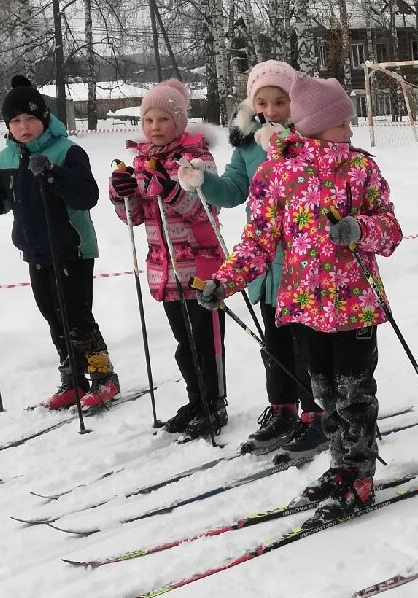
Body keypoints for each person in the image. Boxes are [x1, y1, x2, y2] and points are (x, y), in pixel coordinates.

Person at [197, 74, 402, 521]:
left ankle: (359, 472)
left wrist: (361, 229)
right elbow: (257, 241)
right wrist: (225, 281)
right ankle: (339, 466)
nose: (350, 132)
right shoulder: (274, 173)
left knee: (355, 395)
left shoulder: (360, 167)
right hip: (305, 305)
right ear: (314, 124)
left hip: (354, 303)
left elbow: (390, 230)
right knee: (325, 394)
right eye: (342, 124)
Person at [177, 60, 326, 461]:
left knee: (305, 347)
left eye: (281, 101)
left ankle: (317, 415)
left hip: (305, 262)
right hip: (264, 263)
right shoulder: (247, 144)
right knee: (274, 345)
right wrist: (203, 181)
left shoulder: (310, 139)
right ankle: (282, 410)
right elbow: (232, 191)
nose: (273, 110)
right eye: (264, 102)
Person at [0, 75, 118, 409]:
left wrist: (53, 174)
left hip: (71, 249)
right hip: (35, 251)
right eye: (15, 120)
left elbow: (87, 196)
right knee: (53, 316)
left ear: (44, 119)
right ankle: (73, 377)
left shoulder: (67, 152)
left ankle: (103, 376)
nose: (24, 126)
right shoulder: (6, 160)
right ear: (8, 126)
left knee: (76, 316)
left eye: (31, 118)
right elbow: (1, 204)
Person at [109, 78, 226, 438]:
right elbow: (135, 217)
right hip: (164, 268)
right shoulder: (141, 162)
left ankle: (214, 403)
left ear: (178, 121)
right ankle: (196, 399)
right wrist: (121, 194)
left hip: (200, 266)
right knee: (184, 344)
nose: (155, 127)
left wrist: (173, 189)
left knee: (206, 342)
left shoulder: (197, 157)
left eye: (162, 119)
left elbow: (206, 207)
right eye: (149, 120)